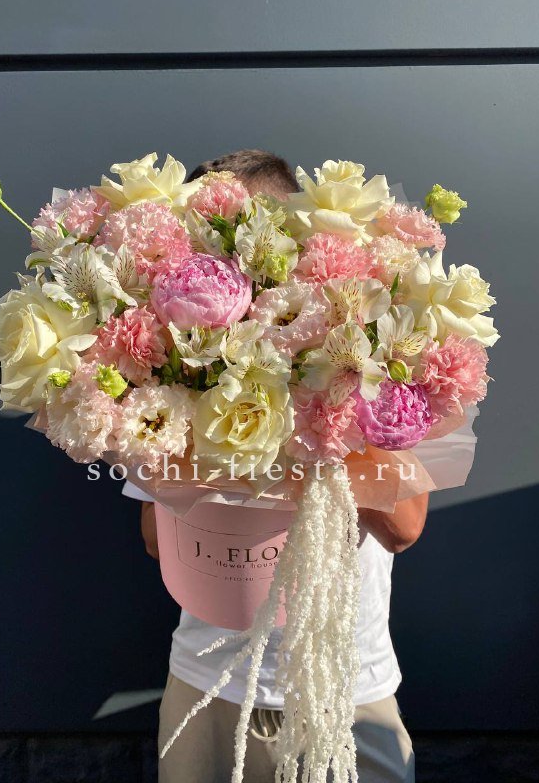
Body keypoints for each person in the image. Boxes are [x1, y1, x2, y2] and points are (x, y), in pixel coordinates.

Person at [124, 149, 428, 783]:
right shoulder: (168, 374)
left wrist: (323, 413)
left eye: (241, 235)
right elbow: (157, 538)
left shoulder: (372, 357)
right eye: (205, 241)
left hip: (343, 688)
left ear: (294, 235)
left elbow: (402, 526)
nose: (226, 263)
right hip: (208, 682)